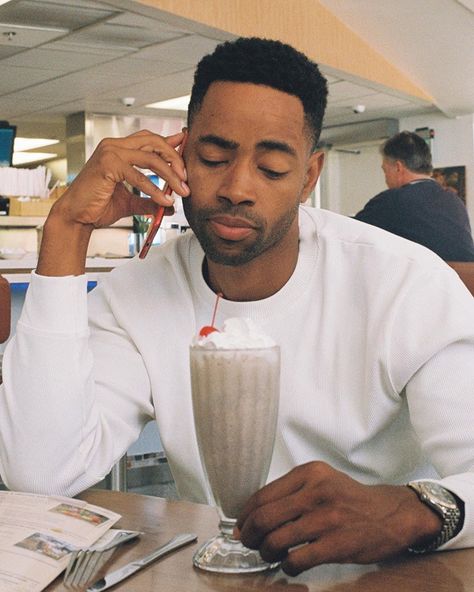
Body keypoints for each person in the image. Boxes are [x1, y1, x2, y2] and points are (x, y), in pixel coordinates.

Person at [1, 37, 474, 576]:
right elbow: (39, 474)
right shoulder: (139, 293)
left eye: (271, 168)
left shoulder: (403, 285)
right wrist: (66, 230)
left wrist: (410, 511)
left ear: (308, 177)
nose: (236, 187)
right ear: (179, 155)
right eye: (212, 157)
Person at [354, 131, 474, 261]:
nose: (386, 179)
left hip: (426, 279)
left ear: (398, 167)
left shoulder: (392, 200)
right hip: (463, 279)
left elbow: (350, 236)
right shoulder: (454, 200)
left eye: (385, 171)